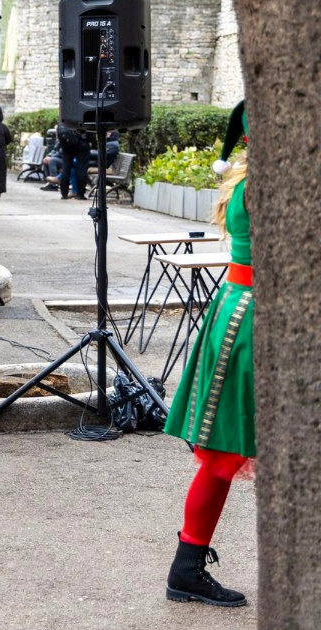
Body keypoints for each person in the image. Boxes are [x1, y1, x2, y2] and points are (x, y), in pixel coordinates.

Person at [162, 101, 251, 609]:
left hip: (244, 312)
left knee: (227, 452)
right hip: (259, 319)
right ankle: (187, 569)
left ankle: (187, 568)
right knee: (226, 452)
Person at [57, 123, 90, 200]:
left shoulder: (66, 111)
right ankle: (80, 193)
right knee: (81, 168)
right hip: (81, 140)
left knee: (66, 167)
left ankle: (64, 193)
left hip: (66, 140)